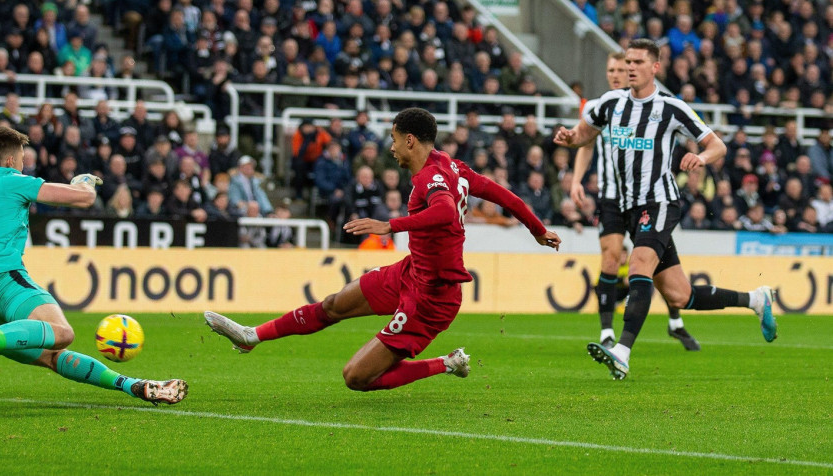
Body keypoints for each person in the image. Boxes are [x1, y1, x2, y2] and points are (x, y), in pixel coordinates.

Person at [205, 108, 561, 391]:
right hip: (410, 272)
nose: (390, 147)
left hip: (432, 298)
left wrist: (390, 224)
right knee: (333, 304)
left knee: (356, 377)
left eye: (393, 139)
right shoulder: (450, 166)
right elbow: (501, 193)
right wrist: (537, 229)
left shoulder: (431, 178)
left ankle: (448, 362)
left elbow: (444, 211)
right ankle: (252, 336)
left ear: (409, 140)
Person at [554, 39, 777, 380]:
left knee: (639, 262)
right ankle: (756, 300)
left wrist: (700, 158)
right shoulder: (610, 103)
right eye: (628, 61)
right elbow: (584, 135)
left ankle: (622, 351)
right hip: (627, 208)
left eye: (638, 62)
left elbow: (717, 145)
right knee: (680, 294)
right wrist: (569, 137)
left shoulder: (672, 108)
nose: (630, 67)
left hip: (659, 201)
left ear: (655, 67)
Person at [0, 126, 187, 405]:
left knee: (51, 356)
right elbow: (84, 198)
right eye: (22, 158)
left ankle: (134, 386)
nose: (24, 164)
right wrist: (84, 181)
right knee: (62, 332)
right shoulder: (10, 178)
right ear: (10, 162)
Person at [570, 52, 700, 351]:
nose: (618, 73)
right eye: (613, 69)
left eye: (623, 68)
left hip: (647, 197)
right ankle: (607, 332)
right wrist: (577, 181)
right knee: (613, 257)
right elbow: (585, 143)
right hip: (611, 197)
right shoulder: (603, 107)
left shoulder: (649, 106)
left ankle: (675, 318)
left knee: (650, 258)